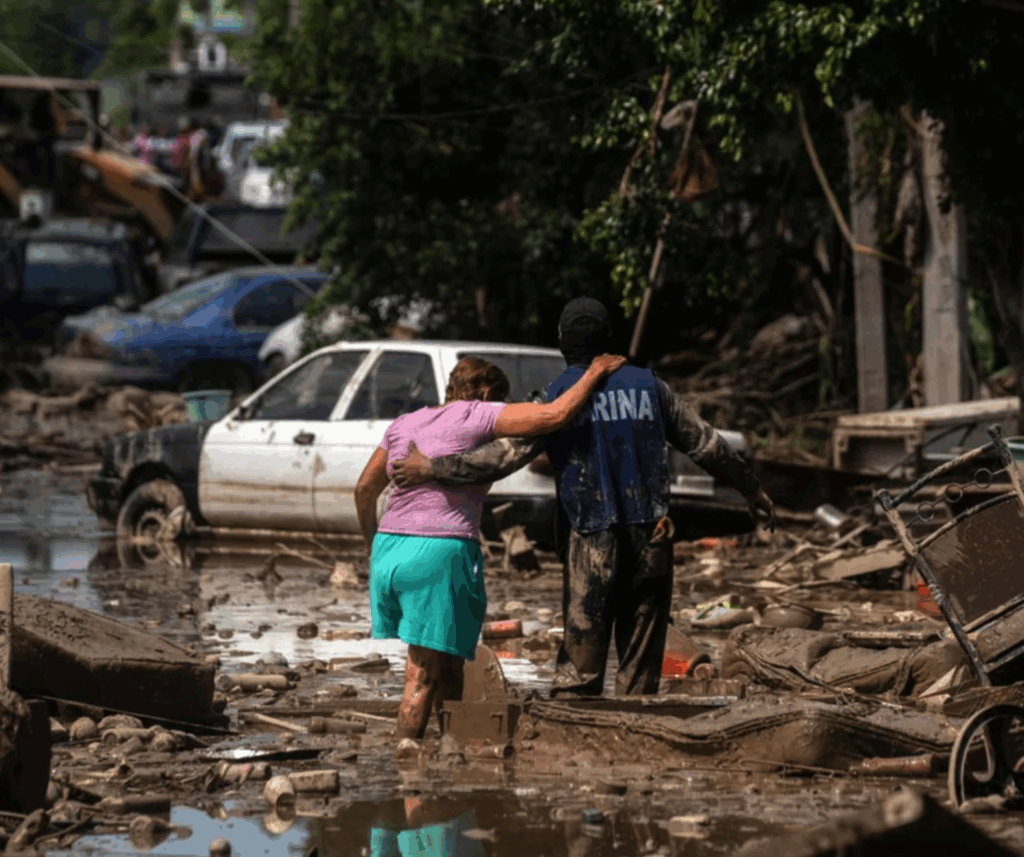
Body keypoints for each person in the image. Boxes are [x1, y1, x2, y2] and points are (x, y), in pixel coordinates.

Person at [392, 297, 776, 698]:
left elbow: (502, 458)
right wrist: (751, 490)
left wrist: (432, 468)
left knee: (580, 667)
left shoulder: (560, 396)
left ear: (564, 343)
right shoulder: (651, 387)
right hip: (653, 536)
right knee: (641, 661)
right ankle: (639, 735)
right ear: (607, 339)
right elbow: (707, 445)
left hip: (590, 537)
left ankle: (576, 739)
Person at [354, 352, 625, 740]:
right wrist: (595, 372)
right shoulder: (479, 415)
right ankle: (406, 768)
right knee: (422, 672)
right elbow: (554, 416)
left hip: (390, 550)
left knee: (448, 662)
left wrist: (372, 546)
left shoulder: (405, 422)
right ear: (484, 392)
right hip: (439, 551)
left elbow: (364, 490)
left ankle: (453, 747)